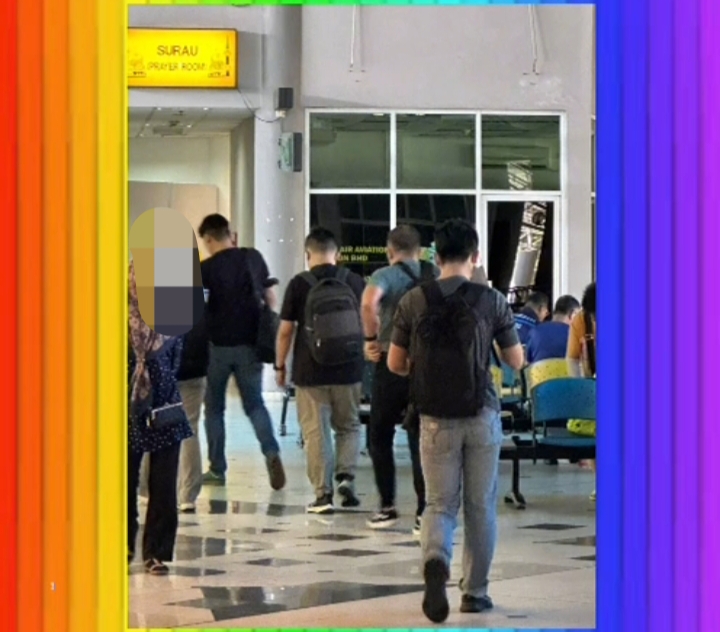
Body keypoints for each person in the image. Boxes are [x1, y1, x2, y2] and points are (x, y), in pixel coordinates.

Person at [388, 219, 523, 623]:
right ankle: (475, 593)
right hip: (482, 414)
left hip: (434, 417)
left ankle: (436, 559)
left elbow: (395, 363)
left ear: (435, 255)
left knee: (439, 503)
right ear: (475, 256)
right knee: (480, 506)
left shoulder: (414, 300)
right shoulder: (491, 300)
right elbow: (516, 360)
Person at [275, 228, 365, 514]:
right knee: (349, 426)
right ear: (336, 253)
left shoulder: (299, 284)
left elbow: (285, 331)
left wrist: (280, 365)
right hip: (349, 369)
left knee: (316, 432)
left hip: (310, 371)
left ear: (307, 254)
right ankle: (346, 476)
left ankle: (322, 495)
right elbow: (367, 321)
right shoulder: (354, 281)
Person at [198, 214, 285, 490]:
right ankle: (271, 452)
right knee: (255, 404)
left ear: (209, 239)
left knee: (214, 409)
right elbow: (271, 299)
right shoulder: (252, 257)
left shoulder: (205, 269)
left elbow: (198, 309)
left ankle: (217, 469)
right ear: (230, 234)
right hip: (250, 347)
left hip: (217, 349)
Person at [361, 225, 437, 533]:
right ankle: (424, 512)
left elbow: (368, 303)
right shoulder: (434, 273)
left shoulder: (385, 275)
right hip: (426, 366)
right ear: (419, 251)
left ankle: (387, 505)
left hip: (390, 363)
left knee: (379, 432)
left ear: (390, 250)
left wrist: (371, 339)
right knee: (420, 435)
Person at [128, 261, 193, 575]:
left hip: (161, 401)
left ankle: (156, 550)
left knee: (163, 480)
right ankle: (125, 545)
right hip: (130, 401)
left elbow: (183, 355)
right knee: (123, 478)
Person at [138, 315, 209, 513]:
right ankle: (187, 495)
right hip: (194, 371)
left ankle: (146, 489)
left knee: (152, 424)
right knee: (190, 429)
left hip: (162, 370)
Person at [567, 282, 597, 501]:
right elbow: (572, 359)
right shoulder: (580, 321)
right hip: (591, 383)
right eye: (594, 316)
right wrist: (580, 390)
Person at [525, 294, 580, 364]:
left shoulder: (534, 331)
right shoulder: (575, 336)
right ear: (572, 315)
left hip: (539, 371)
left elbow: (527, 362)